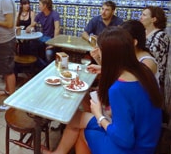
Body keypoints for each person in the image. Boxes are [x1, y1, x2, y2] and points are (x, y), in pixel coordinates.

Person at [42, 26, 162, 154]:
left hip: (134, 148)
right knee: (76, 118)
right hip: (147, 139)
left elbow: (125, 140)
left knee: (84, 133)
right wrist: (104, 69)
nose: (97, 52)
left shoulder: (118, 89)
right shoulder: (142, 71)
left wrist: (98, 115)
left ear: (111, 55)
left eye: (100, 50)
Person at [26, 0, 60, 66]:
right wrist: (29, 27)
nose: (38, 6)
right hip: (43, 37)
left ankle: (46, 68)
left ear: (45, 6)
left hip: (51, 39)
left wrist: (53, 43)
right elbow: (33, 24)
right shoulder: (40, 14)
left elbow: (57, 28)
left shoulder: (55, 14)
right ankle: (42, 66)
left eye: (40, 4)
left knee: (49, 54)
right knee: (30, 45)